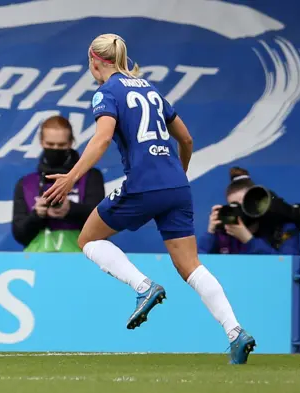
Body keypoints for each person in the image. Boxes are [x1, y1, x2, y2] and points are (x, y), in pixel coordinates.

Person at [43, 34, 255, 364]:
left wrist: (72, 176)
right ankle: (235, 332)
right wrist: (177, 176)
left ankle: (143, 286)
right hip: (176, 186)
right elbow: (186, 138)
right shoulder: (150, 89)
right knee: (191, 266)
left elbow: (101, 140)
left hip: (143, 183)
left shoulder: (107, 92)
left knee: (88, 239)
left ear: (95, 60)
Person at [12, 115, 105, 252]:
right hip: (37, 262)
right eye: (50, 144)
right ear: (41, 142)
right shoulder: (26, 183)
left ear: (71, 142)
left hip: (81, 262)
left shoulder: (90, 176)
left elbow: (102, 224)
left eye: (61, 145)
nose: (55, 149)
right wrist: (37, 214)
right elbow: (20, 235)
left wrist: (70, 209)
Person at [199, 167, 300, 255]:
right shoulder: (224, 234)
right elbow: (196, 268)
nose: (239, 209)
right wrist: (210, 233)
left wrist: (248, 239)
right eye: (234, 205)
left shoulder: (281, 230)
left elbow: (287, 269)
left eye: (244, 204)